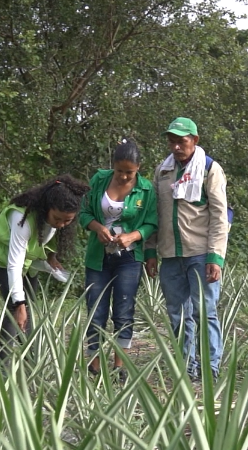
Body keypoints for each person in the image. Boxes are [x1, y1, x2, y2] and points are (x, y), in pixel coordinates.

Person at [145, 117, 229, 382]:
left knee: (204, 312)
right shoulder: (163, 171)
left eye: (181, 142)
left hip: (201, 252)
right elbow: (154, 212)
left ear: (195, 140)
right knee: (177, 314)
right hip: (170, 254)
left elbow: (220, 215)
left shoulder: (209, 168)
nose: (176, 147)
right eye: (172, 142)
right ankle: (186, 367)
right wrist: (150, 251)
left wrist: (215, 256)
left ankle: (210, 367)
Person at [0, 175, 89, 359]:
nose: (61, 224)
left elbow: (46, 238)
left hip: (28, 259)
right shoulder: (22, 218)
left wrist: (51, 257)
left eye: (67, 221)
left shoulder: (57, 218)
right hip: (2, 257)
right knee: (14, 307)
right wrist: (19, 303)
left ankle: (31, 358)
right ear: (46, 207)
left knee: (30, 306)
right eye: (57, 219)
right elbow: (14, 264)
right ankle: (1, 365)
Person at [79, 139, 158, 380]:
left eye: (129, 172)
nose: (123, 177)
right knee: (96, 309)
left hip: (129, 258)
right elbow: (83, 213)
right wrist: (97, 228)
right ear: (113, 165)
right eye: (119, 171)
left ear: (138, 168)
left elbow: (152, 222)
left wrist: (133, 236)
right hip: (98, 256)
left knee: (124, 309)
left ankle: (119, 365)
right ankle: (94, 364)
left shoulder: (146, 189)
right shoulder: (99, 180)